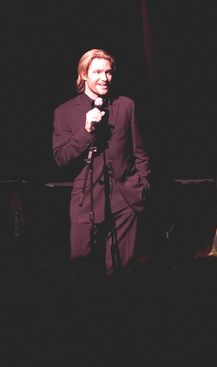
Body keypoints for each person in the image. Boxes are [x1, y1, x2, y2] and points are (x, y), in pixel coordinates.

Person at [52, 49, 150, 274]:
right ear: (84, 74)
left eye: (108, 72)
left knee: (121, 272)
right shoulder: (65, 111)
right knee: (80, 269)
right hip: (86, 202)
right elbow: (61, 158)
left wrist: (142, 184)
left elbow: (140, 152)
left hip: (125, 200)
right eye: (97, 72)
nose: (104, 78)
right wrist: (86, 131)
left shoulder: (126, 105)